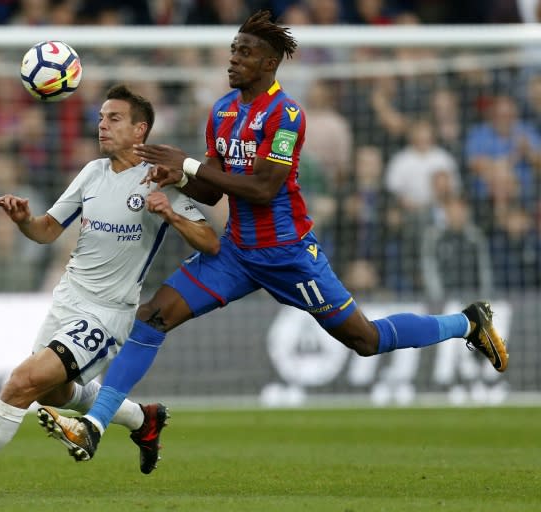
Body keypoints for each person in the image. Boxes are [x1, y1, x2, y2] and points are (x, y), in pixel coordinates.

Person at [38, 10, 509, 464]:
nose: (232, 59)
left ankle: (467, 323)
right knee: (153, 317)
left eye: (243, 53)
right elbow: (211, 188)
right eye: (232, 50)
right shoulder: (222, 111)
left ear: (268, 63)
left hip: (288, 254)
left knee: (365, 340)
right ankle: (95, 425)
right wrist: (177, 177)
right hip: (237, 254)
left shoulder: (287, 115)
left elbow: (263, 188)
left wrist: (186, 165)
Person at [0, 84, 220, 498]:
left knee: (21, 382)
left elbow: (210, 243)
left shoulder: (162, 179)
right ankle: (143, 419)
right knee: (54, 391)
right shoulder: (91, 173)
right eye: (101, 117)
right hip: (67, 300)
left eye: (114, 118)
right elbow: (47, 231)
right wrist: (23, 220)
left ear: (141, 130)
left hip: (107, 312)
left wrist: (171, 213)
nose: (102, 125)